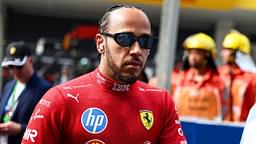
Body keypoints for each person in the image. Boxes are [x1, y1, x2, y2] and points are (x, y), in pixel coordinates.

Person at [21, 4, 187, 144]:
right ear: (100, 43)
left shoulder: (161, 102)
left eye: (145, 41)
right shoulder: (60, 99)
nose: (137, 50)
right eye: (125, 39)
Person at [0, 41, 52, 144]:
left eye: (19, 66)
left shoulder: (45, 89)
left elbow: (46, 126)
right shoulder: (9, 86)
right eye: (11, 67)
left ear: (30, 61)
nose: (14, 71)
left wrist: (21, 129)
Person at [173, 33, 224, 121]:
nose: (193, 57)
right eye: (190, 53)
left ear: (208, 56)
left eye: (198, 53)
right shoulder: (179, 79)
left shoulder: (219, 82)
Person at [219, 30, 256, 122]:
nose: (222, 53)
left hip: (242, 129)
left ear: (237, 54)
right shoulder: (219, 74)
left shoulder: (252, 79)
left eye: (226, 49)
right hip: (216, 127)